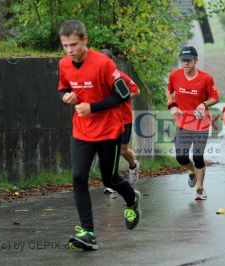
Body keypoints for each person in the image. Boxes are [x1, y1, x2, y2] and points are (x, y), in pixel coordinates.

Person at [57, 20, 141, 250]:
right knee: (78, 177)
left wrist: (92, 107)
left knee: (109, 179)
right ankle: (88, 232)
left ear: (85, 40)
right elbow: (64, 87)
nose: (69, 50)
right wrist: (66, 97)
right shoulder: (64, 64)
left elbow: (123, 95)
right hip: (82, 130)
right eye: (65, 45)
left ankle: (132, 200)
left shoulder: (103, 64)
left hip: (108, 131)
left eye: (73, 44)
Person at [166, 46, 219, 200]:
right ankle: (191, 171)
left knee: (197, 155)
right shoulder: (174, 75)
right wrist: (172, 105)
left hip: (201, 124)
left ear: (195, 60)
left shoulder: (206, 78)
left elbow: (215, 97)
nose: (185, 63)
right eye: (183, 60)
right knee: (181, 157)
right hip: (183, 123)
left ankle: (200, 189)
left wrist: (204, 104)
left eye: (188, 60)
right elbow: (169, 91)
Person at [100, 49, 141, 195]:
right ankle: (111, 182)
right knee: (111, 150)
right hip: (109, 121)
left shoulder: (120, 77)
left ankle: (133, 165)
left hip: (124, 120)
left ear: (112, 62)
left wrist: (122, 98)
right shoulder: (98, 79)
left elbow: (136, 91)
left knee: (123, 150)